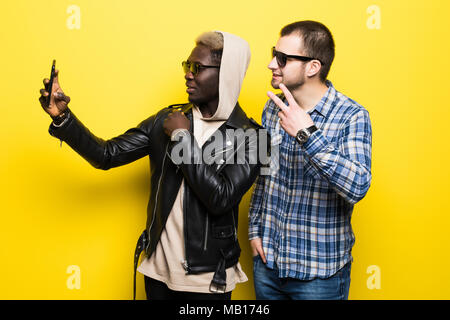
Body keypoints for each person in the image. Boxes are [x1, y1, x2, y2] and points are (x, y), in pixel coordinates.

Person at [39, 31, 266, 300]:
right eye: (187, 66)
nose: (188, 74)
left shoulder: (255, 138)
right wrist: (63, 117)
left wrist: (183, 138)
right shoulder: (166, 119)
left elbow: (220, 198)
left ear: (226, 73)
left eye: (197, 68)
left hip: (207, 280)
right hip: (157, 273)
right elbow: (106, 155)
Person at [248, 20, 372, 300]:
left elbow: (358, 186)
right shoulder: (273, 107)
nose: (271, 64)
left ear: (313, 67)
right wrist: (255, 228)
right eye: (273, 53)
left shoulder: (351, 116)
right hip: (269, 265)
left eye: (282, 58)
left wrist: (306, 133)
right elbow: (265, 175)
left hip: (319, 275)